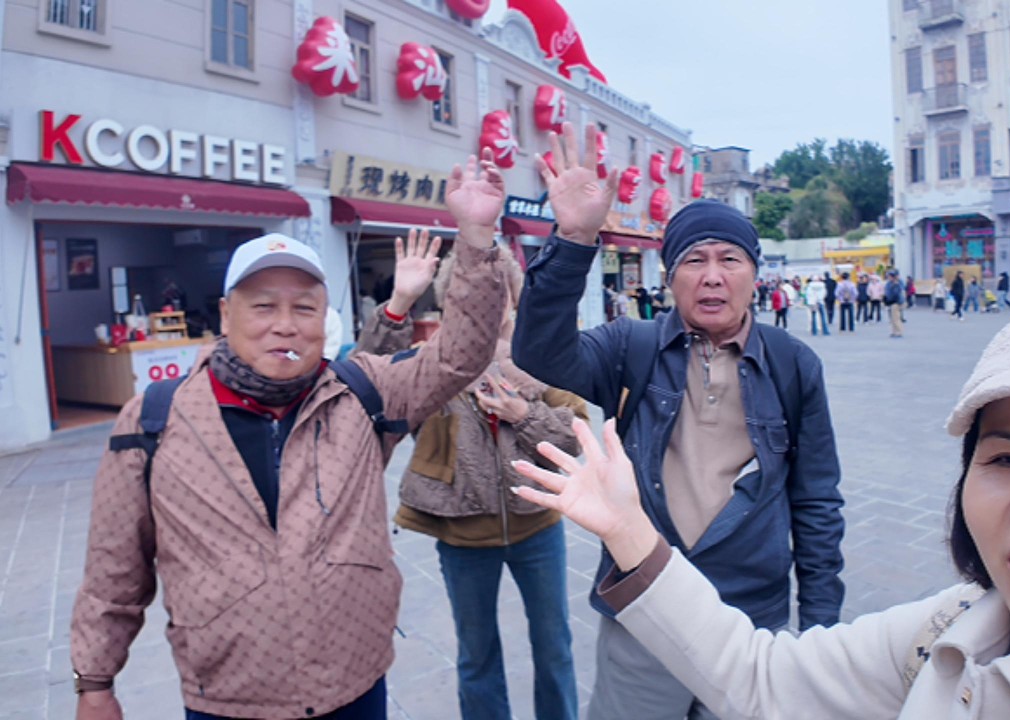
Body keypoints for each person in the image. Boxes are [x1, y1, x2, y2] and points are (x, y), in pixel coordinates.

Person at [512, 296, 1010, 719]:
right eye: (1006, 458)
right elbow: (761, 679)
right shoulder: (950, 629)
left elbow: (817, 491)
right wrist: (628, 531)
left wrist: (817, 595)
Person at [70, 153, 509, 720]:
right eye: (263, 306)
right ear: (226, 314)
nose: (285, 323)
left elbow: (459, 358)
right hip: (227, 698)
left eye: (305, 307)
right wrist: (95, 682)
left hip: (354, 682)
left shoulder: (362, 392)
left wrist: (474, 237)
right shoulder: (153, 420)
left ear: (325, 316)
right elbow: (113, 570)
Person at [513, 123, 845, 720]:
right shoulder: (628, 346)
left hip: (750, 617)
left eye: (730, 259)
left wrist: (819, 627)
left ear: (754, 274)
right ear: (670, 276)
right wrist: (574, 239)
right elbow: (540, 353)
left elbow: (816, 500)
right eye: (693, 259)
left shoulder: (795, 365)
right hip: (643, 607)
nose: (712, 274)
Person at [358, 249, 583, 720]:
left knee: (556, 648)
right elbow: (367, 388)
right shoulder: (430, 360)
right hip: (461, 534)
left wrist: (524, 414)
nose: (486, 305)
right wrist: (399, 301)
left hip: (537, 526)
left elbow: (576, 432)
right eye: (471, 296)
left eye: (495, 292)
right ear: (451, 301)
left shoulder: (539, 357)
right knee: (476, 656)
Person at [883, 270, 905, 338]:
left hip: (896, 302)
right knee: (892, 318)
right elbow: (886, 291)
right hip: (890, 302)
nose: (888, 277)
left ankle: (899, 331)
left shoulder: (898, 283)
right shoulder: (888, 283)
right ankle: (894, 331)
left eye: (890, 276)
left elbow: (898, 292)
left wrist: (895, 284)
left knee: (896, 317)